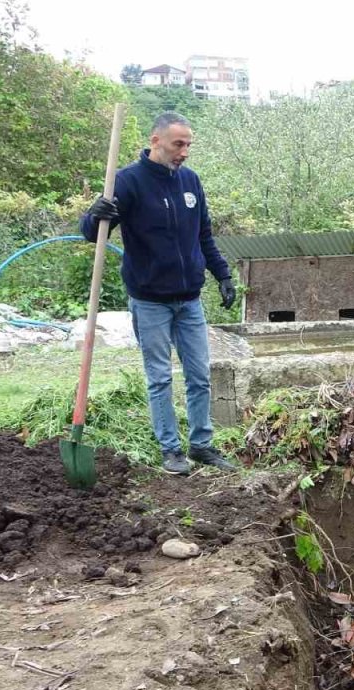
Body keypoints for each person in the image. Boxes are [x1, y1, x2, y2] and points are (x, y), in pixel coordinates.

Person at [80, 112, 238, 475]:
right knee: (160, 377)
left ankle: (201, 445)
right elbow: (94, 233)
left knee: (199, 374)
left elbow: (204, 237)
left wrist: (223, 275)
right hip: (150, 300)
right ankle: (171, 450)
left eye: (188, 145)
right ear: (155, 140)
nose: (184, 152)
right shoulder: (128, 182)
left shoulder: (190, 182)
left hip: (189, 299)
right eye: (177, 144)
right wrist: (94, 214)